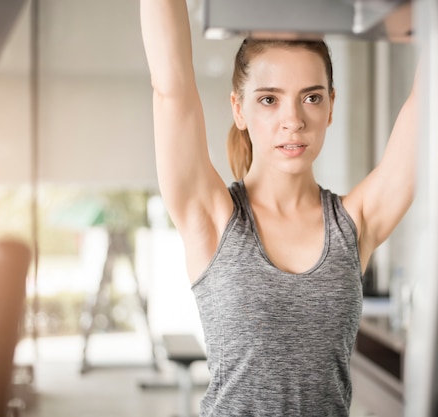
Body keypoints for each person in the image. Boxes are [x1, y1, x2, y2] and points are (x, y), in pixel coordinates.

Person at [140, 1, 417, 415]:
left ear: (330, 106)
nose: (293, 120)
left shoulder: (355, 224)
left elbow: (431, 101)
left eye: (310, 97)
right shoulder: (213, 220)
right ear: (239, 108)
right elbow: (171, 89)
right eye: (269, 100)